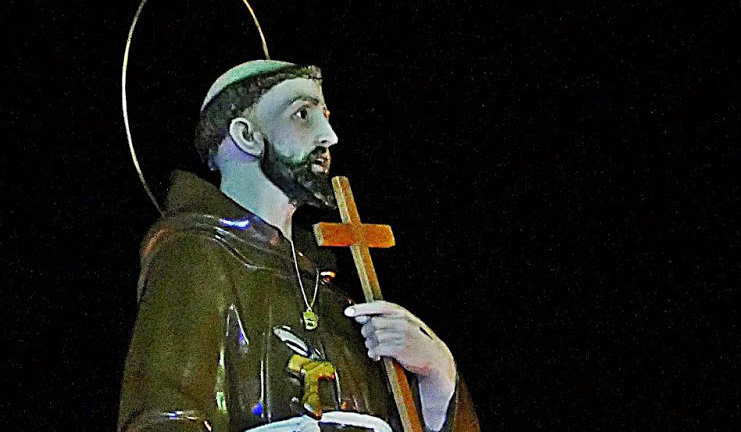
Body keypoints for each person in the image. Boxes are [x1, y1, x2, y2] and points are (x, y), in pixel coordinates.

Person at [118, 60, 479, 431]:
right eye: (303, 115)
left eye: (325, 116)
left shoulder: (324, 285)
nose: (329, 136)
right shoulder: (196, 257)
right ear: (246, 135)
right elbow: (165, 418)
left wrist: (437, 373)